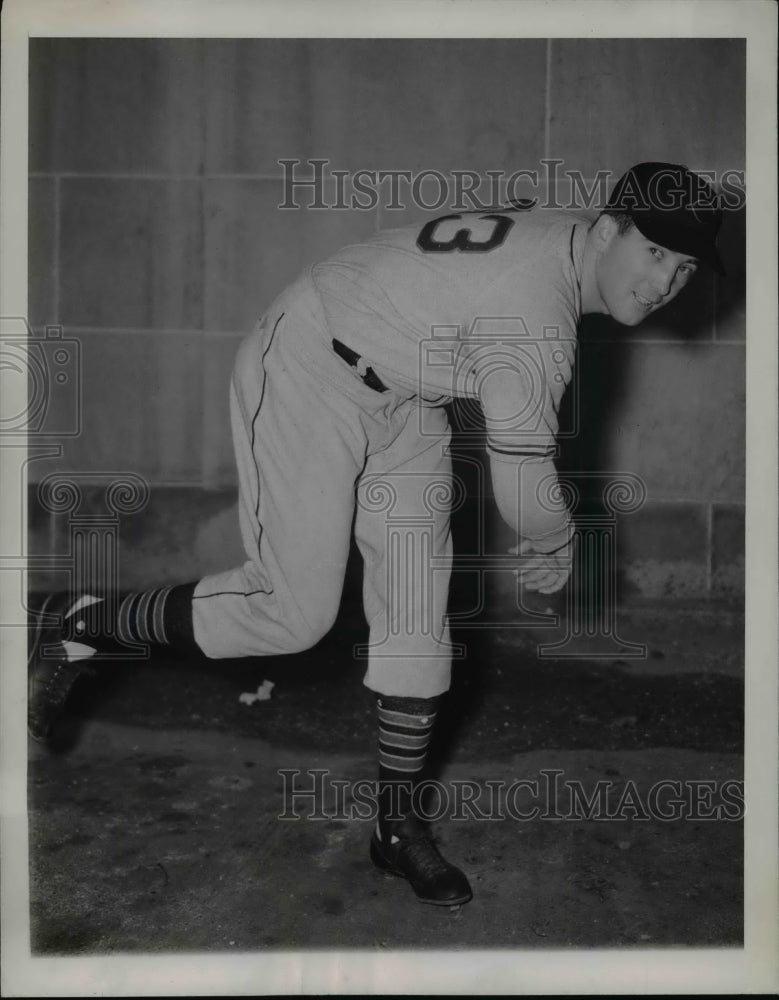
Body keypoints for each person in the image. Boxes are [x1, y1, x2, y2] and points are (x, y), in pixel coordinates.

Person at [28, 162, 724, 907]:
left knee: (419, 616)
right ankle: (79, 623)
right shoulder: (534, 322)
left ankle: (396, 832)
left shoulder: (570, 231)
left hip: (407, 391)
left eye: (682, 266)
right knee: (292, 613)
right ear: (612, 229)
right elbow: (524, 496)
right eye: (653, 252)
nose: (663, 283)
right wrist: (558, 542)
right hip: (311, 359)